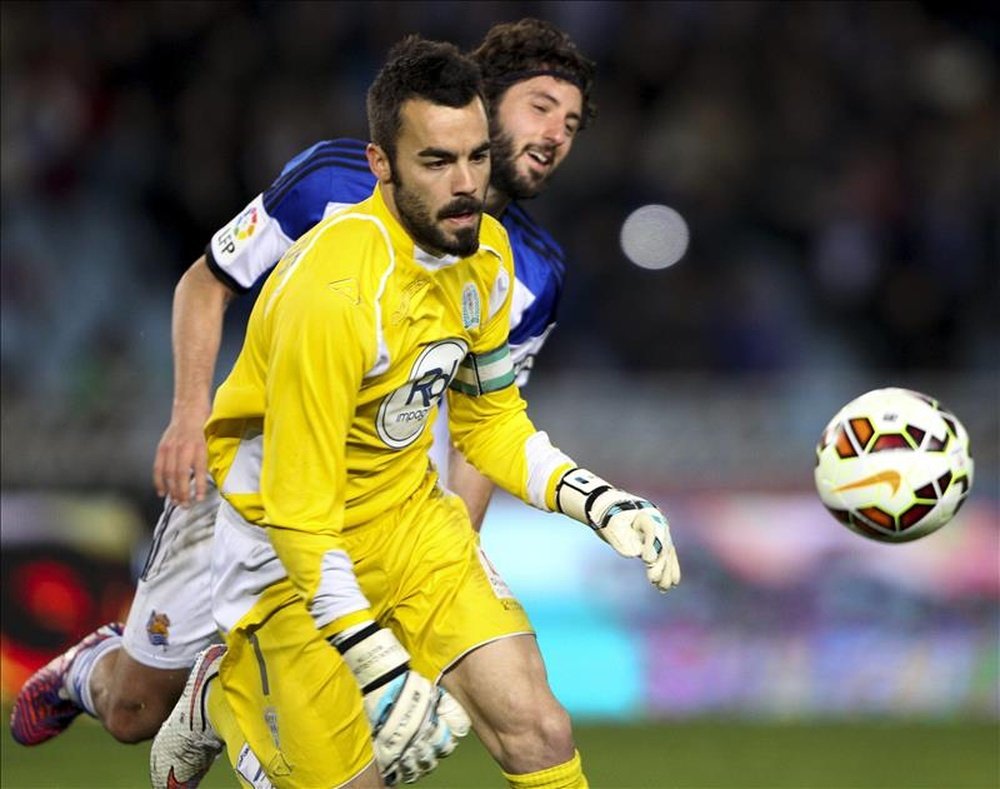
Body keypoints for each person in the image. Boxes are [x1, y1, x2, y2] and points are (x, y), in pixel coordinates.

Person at [10, 17, 597, 757]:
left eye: (571, 122)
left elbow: (483, 425)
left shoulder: (533, 274)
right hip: (251, 483)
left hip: (378, 504)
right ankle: (91, 668)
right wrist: (190, 415)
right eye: (541, 106)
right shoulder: (336, 181)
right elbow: (207, 281)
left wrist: (449, 557)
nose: (556, 133)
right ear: (482, 100)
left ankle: (234, 699)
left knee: (426, 730)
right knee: (135, 710)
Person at [150, 34, 679, 789]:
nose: (464, 184)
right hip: (286, 556)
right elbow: (299, 512)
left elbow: (490, 422)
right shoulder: (333, 294)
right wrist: (378, 665)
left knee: (539, 728)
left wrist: (598, 502)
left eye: (475, 158)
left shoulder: (490, 257)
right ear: (382, 166)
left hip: (408, 524)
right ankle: (226, 698)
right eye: (436, 162)